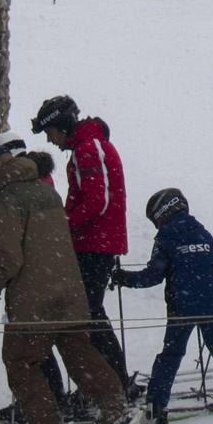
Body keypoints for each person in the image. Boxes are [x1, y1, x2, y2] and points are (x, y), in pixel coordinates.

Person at [0, 149, 139, 424]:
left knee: (21, 361)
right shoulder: (48, 193)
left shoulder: (6, 200)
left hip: (32, 299)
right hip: (70, 292)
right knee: (81, 355)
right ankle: (115, 414)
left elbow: (10, 257)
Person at [117, 189, 213, 424]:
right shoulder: (201, 229)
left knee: (171, 354)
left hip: (182, 302)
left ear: (161, 212)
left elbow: (153, 275)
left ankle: (155, 409)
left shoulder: (166, 235)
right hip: (210, 298)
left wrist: (123, 278)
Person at [32, 94, 129, 391]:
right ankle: (110, 382)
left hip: (96, 244)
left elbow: (97, 202)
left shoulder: (89, 149)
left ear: (61, 126)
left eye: (50, 133)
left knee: (89, 316)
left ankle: (114, 383)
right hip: (93, 241)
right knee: (89, 315)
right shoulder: (85, 148)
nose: (50, 141)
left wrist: (62, 225)